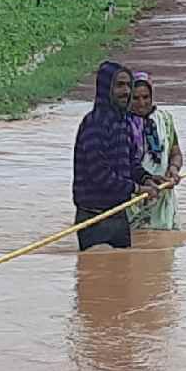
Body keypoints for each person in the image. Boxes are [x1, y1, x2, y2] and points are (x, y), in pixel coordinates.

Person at [72, 61, 159, 251]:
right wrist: (138, 188)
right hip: (94, 218)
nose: (126, 91)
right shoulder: (94, 124)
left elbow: (131, 163)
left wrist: (148, 179)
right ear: (106, 88)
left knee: (122, 274)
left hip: (119, 215)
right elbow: (100, 174)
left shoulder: (123, 122)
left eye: (128, 85)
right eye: (119, 85)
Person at [127, 72, 182, 230]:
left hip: (163, 195)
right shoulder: (122, 125)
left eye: (146, 97)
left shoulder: (165, 120)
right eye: (135, 98)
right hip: (135, 197)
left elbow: (175, 152)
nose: (141, 103)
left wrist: (173, 169)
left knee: (163, 246)